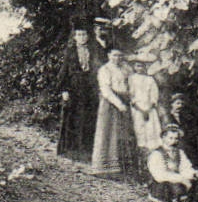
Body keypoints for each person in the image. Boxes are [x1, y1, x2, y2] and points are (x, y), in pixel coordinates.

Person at [56, 22, 104, 157]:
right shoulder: (70, 51)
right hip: (74, 88)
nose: (81, 37)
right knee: (73, 117)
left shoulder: (94, 50)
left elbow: (100, 68)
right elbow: (64, 71)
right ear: (75, 37)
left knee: (88, 117)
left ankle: (86, 149)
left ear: (88, 36)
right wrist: (64, 90)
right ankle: (71, 149)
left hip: (89, 87)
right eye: (79, 35)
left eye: (84, 34)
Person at [89, 48, 133, 178]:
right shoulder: (105, 70)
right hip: (110, 103)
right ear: (109, 55)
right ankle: (103, 168)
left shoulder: (126, 68)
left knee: (122, 133)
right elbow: (106, 89)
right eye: (114, 55)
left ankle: (121, 168)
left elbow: (131, 84)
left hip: (124, 101)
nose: (117, 58)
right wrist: (119, 104)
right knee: (107, 132)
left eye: (120, 55)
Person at [147, 126, 198, 202]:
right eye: (170, 138)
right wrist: (181, 179)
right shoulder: (157, 154)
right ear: (163, 138)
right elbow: (160, 175)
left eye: (176, 138)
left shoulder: (179, 153)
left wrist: (193, 173)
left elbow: (185, 167)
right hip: (162, 186)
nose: (174, 141)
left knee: (197, 184)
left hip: (178, 182)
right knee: (176, 188)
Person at [127, 63, 166, 162]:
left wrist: (150, 108)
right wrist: (140, 109)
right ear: (134, 67)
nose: (139, 68)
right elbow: (131, 95)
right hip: (137, 108)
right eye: (137, 66)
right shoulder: (131, 79)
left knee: (152, 129)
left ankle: (153, 155)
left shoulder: (150, 79)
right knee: (139, 129)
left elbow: (154, 94)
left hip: (150, 108)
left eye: (142, 66)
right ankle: (141, 155)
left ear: (145, 67)